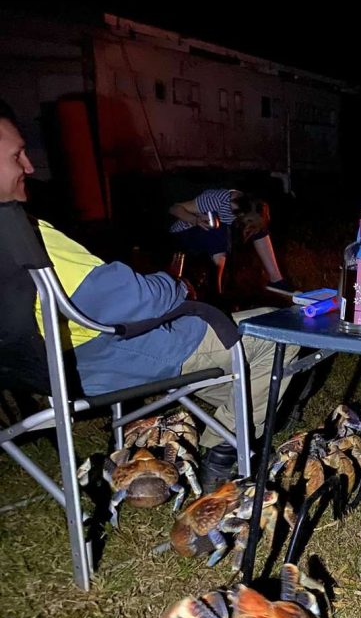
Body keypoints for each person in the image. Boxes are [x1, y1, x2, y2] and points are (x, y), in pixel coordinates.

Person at [0, 100, 297, 491]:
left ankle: (229, 419)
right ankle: (221, 454)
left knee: (242, 374)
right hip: (111, 358)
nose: (30, 166)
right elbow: (134, 298)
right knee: (277, 337)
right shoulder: (23, 236)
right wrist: (179, 285)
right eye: (17, 154)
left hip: (42, 370)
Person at [168, 187, 292, 296]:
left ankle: (276, 280)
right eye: (247, 221)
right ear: (242, 213)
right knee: (218, 230)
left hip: (209, 235)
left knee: (257, 229)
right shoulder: (216, 200)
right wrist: (195, 219)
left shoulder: (245, 204)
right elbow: (174, 208)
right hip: (184, 234)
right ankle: (216, 292)